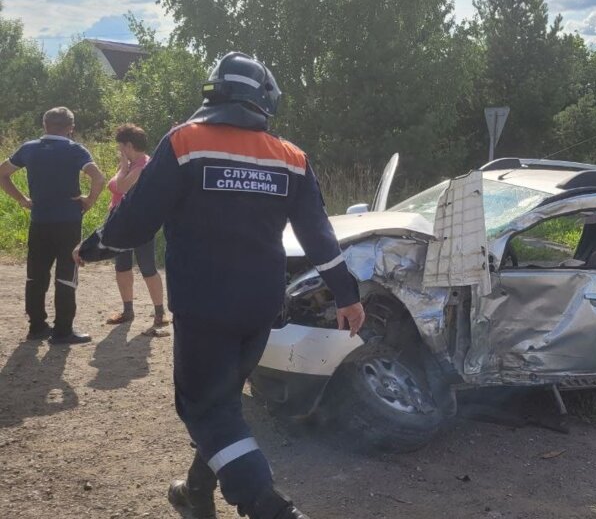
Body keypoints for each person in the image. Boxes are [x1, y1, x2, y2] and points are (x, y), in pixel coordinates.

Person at [76, 52, 366, 519]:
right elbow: (319, 236)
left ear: (213, 93)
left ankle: (268, 506)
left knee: (206, 409)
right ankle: (195, 492)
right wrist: (348, 295)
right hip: (261, 306)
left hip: (205, 304)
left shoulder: (185, 142)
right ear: (264, 100)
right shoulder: (291, 157)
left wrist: (93, 246)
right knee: (223, 401)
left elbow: (135, 221)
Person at [0, 106, 105, 345]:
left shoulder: (29, 148)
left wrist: (21, 199)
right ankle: (63, 330)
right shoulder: (75, 150)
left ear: (45, 125)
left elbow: (2, 173)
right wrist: (88, 200)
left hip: (40, 221)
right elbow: (98, 178)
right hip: (68, 221)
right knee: (67, 274)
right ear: (71, 128)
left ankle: (37, 327)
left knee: (36, 274)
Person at [105, 123, 169, 336]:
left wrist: (122, 169)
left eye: (120, 146)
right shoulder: (131, 164)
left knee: (148, 267)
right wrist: (123, 170)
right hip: (121, 221)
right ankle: (127, 310)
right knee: (122, 267)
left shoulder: (142, 165)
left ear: (129, 145)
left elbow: (120, 187)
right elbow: (112, 185)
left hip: (139, 223)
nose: (119, 150)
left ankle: (160, 313)